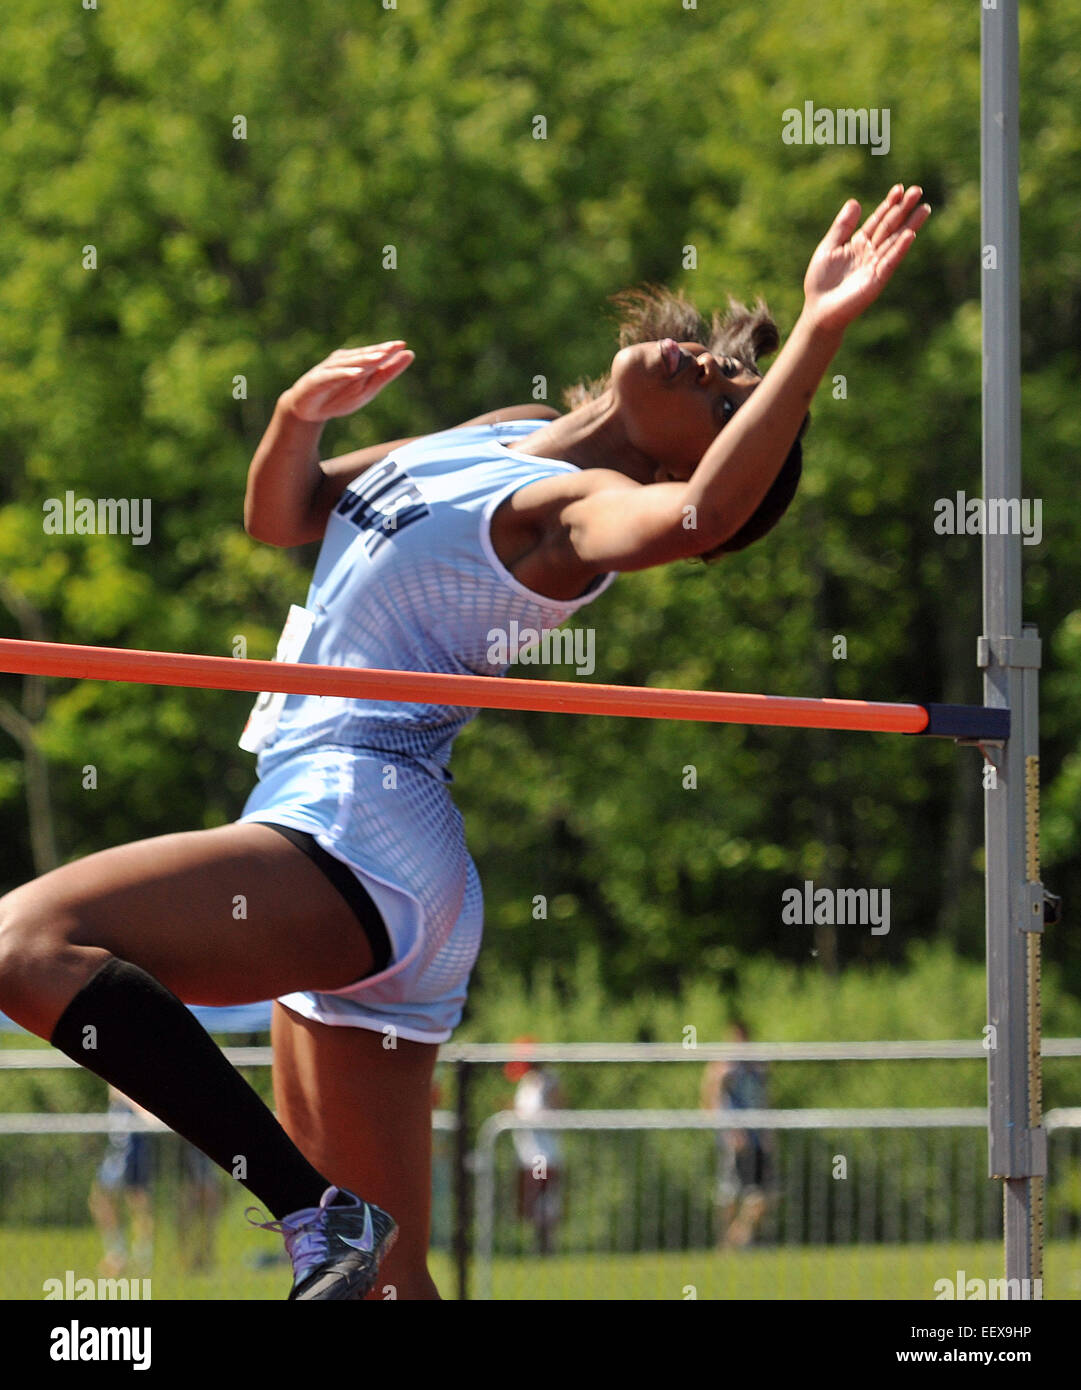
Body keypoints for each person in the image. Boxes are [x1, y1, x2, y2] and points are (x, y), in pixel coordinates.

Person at [0, 187, 930, 1300]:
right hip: (364, 849)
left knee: (25, 941)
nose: (708, 368)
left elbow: (702, 523)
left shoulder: (573, 514)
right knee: (392, 1289)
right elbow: (284, 516)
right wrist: (298, 414)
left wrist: (820, 332)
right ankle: (332, 1222)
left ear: (688, 463)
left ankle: (308, 1208)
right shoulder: (494, 432)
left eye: (728, 396)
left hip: (358, 829)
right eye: (723, 362)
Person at [701, 1022, 774, 1247]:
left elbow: (765, 1100)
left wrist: (769, 1132)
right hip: (734, 1140)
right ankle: (726, 1244)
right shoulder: (723, 1067)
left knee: (762, 1196)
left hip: (757, 1139)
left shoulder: (757, 1066)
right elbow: (709, 1096)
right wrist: (727, 1130)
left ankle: (735, 1241)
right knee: (729, 1195)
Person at [89, 1087, 155, 1277]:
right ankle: (119, 1254)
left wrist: (141, 1112)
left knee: (137, 1199)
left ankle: (137, 1257)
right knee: (105, 1198)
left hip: (130, 1136)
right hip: (121, 1133)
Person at [506, 1043, 564, 1255]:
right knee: (530, 1201)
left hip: (544, 1154)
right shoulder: (526, 1084)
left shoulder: (549, 1082)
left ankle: (546, 1246)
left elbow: (556, 1108)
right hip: (527, 1153)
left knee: (545, 1201)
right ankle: (535, 1245)